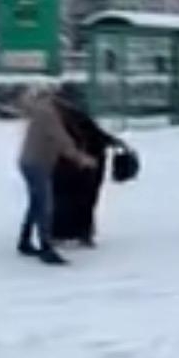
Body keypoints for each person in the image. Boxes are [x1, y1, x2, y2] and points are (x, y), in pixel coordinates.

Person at [18, 89, 93, 266]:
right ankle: (46, 248)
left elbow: (26, 103)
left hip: (30, 161)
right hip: (38, 164)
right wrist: (81, 159)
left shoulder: (43, 107)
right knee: (45, 205)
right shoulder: (49, 115)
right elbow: (62, 139)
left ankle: (24, 241)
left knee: (36, 203)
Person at [52, 85, 122, 247]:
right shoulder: (69, 117)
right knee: (79, 200)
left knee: (70, 199)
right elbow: (93, 134)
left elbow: (93, 133)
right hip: (79, 163)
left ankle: (66, 232)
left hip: (73, 164)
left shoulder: (64, 115)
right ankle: (77, 232)